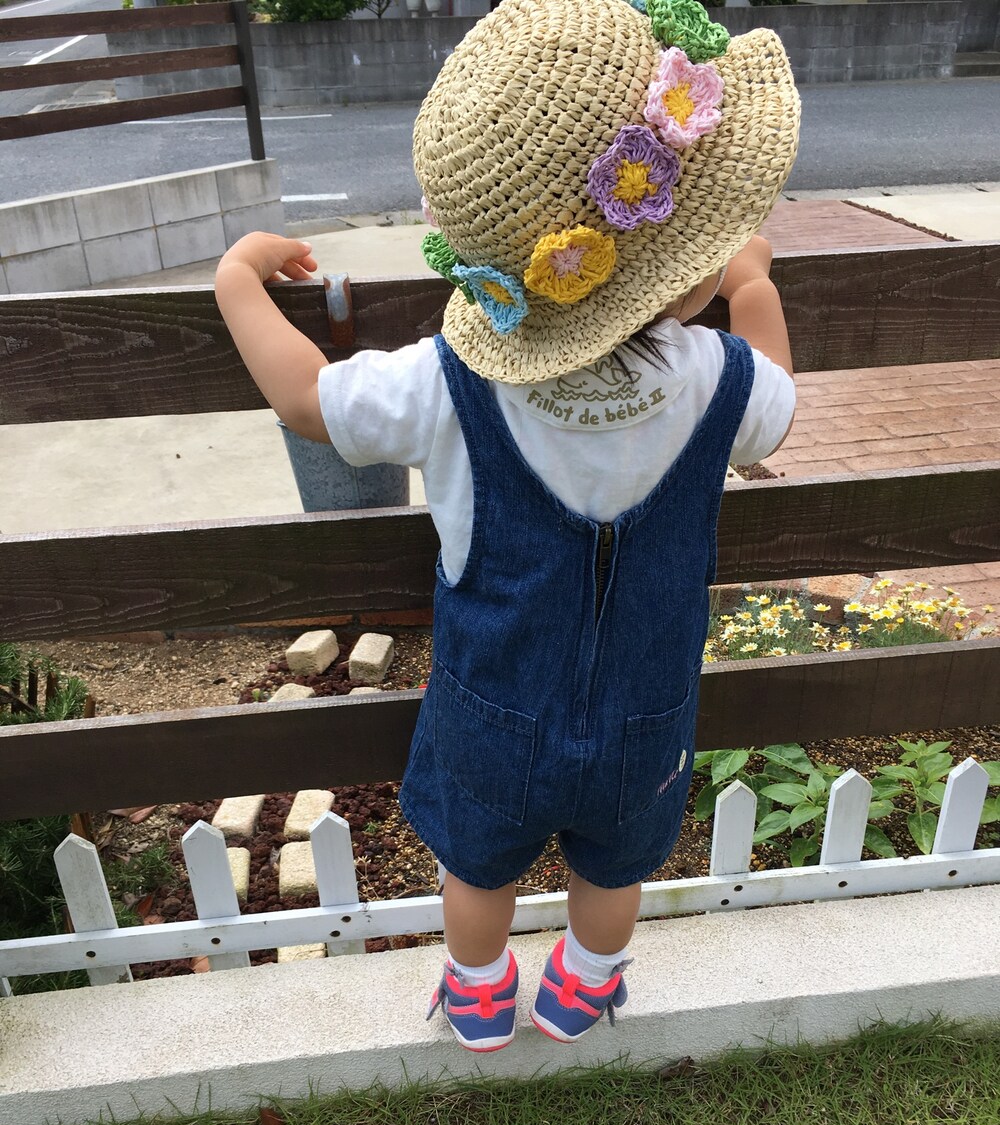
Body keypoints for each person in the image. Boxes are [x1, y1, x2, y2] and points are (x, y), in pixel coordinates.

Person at [215, 0, 800, 1054]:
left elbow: (307, 399)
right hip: (645, 712)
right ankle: (584, 986)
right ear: (681, 269)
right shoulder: (718, 379)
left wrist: (236, 283)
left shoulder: (445, 385)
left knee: (477, 870)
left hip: (491, 708)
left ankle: (481, 994)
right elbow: (778, 403)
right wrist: (754, 286)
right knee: (612, 869)